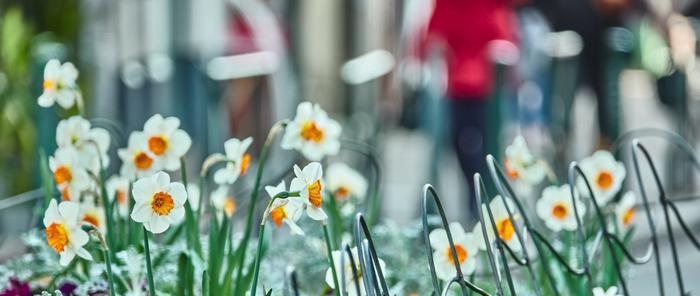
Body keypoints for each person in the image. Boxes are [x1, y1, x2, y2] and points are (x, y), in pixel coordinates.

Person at [422, 0, 520, 217]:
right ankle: (475, 191)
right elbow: (433, 34)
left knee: (489, 143)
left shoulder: (493, 6)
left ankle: (484, 197)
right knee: (458, 141)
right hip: (457, 85)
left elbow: (504, 34)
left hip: (489, 87)